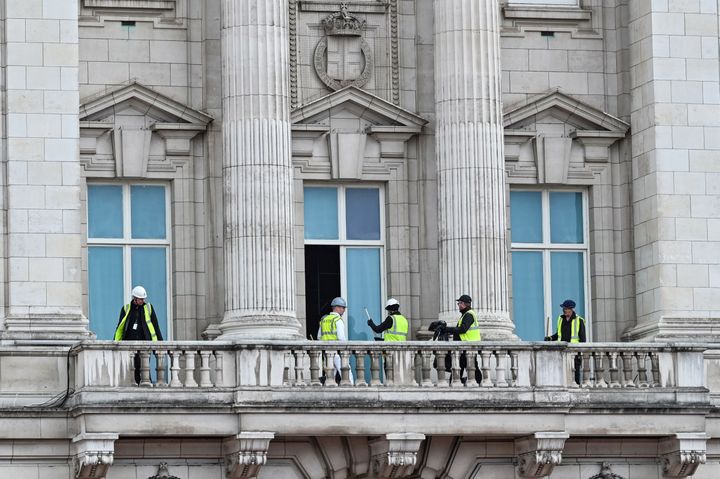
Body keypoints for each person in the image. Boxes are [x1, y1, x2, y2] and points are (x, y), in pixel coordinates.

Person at [114, 285, 163, 384]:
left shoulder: (148, 308)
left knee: (144, 369)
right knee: (132, 369)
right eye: (140, 299)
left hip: (145, 344)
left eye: (143, 299)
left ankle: (146, 388)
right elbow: (120, 327)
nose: (142, 301)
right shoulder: (126, 309)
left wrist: (160, 343)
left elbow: (156, 326)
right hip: (129, 344)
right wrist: (116, 343)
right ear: (134, 298)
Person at [442, 294, 482, 384]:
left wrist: (447, 329)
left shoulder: (468, 315)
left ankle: (477, 383)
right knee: (461, 367)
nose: (458, 305)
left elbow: (463, 329)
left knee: (470, 367)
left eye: (459, 303)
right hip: (464, 347)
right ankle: (456, 382)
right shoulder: (465, 315)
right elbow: (461, 331)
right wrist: (451, 333)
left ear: (464, 304)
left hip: (468, 347)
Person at [545, 299, 586, 384]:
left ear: (571, 309)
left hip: (574, 352)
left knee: (575, 373)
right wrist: (550, 338)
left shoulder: (579, 320)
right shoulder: (561, 319)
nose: (564, 310)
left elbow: (583, 339)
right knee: (562, 374)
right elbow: (559, 334)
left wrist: (580, 353)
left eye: (566, 308)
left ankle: (576, 390)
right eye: (563, 308)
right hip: (562, 351)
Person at [317, 297, 353, 384]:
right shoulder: (338, 320)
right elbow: (341, 338)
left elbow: (318, 337)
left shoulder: (324, 320)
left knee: (330, 376)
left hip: (327, 352)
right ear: (336, 307)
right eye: (342, 307)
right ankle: (352, 390)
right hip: (336, 352)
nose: (343, 310)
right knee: (346, 372)